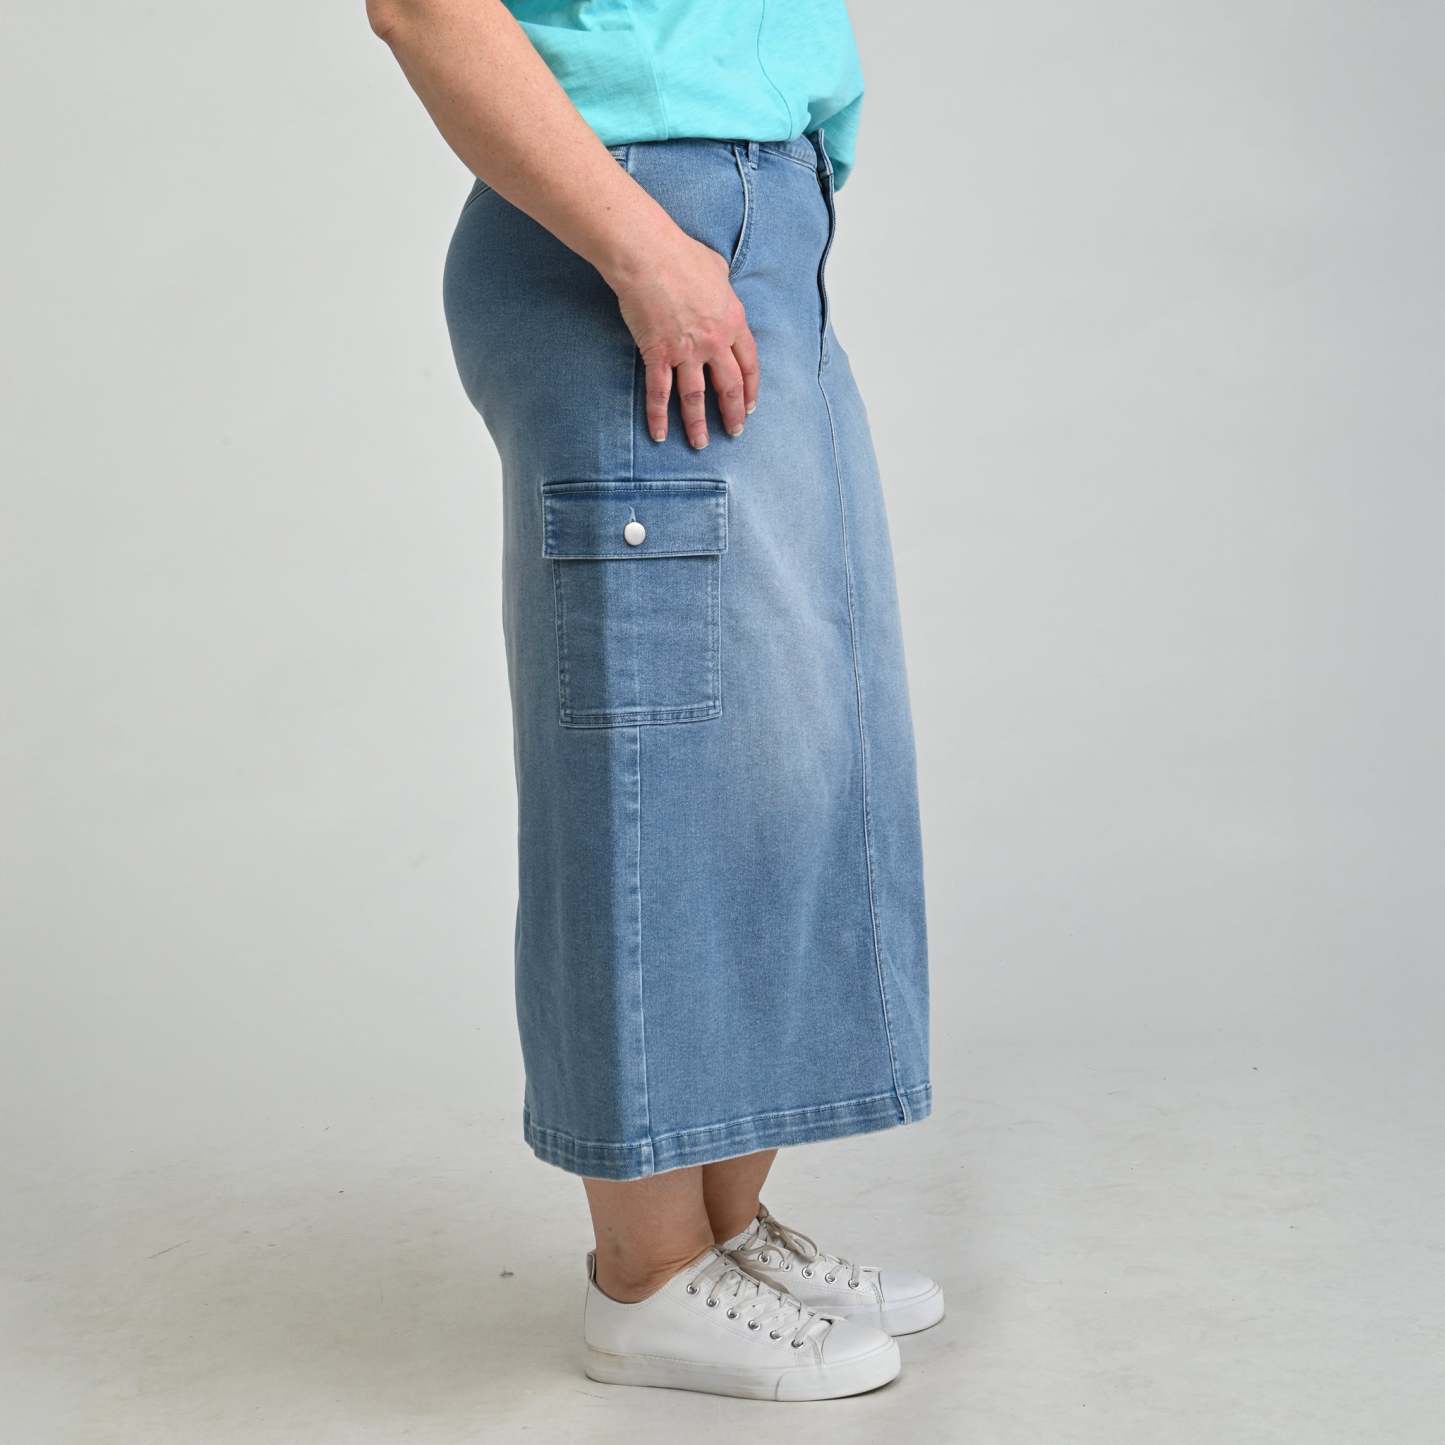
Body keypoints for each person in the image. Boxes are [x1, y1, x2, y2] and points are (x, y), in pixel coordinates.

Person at [367, 0, 939, 1400]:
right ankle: (645, 1277)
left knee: (786, 748)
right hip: (620, 236)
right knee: (651, 761)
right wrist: (640, 246)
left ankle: (725, 1235)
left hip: (754, 224)